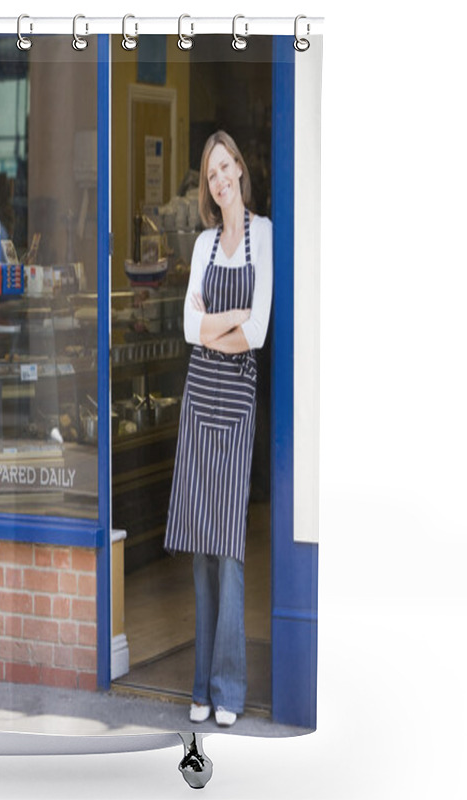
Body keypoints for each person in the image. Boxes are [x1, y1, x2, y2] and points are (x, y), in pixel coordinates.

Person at [164, 131, 273, 728]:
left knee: (228, 550)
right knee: (201, 552)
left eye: (226, 167)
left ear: (240, 172)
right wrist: (221, 325)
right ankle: (200, 684)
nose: (220, 180)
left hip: (236, 405)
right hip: (199, 399)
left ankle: (228, 688)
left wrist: (217, 324)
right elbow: (187, 328)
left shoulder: (266, 235)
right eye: (211, 174)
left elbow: (258, 333)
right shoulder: (204, 243)